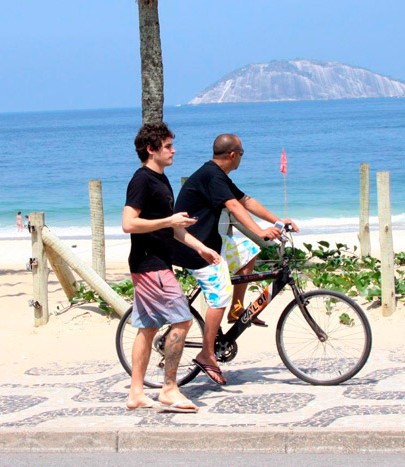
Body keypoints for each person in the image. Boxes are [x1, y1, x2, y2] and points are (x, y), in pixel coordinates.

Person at [173, 133, 298, 385]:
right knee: (219, 295)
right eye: (241, 153)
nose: (242, 158)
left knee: (248, 252)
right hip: (192, 246)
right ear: (233, 155)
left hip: (210, 241)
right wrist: (260, 230)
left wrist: (276, 221)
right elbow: (234, 206)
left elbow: (246, 201)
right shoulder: (211, 175)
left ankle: (237, 310)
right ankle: (207, 354)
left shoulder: (218, 175)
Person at [122, 122, 222, 412]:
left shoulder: (161, 180)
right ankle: (169, 388)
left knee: (148, 327)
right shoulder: (142, 180)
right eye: (167, 146)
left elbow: (174, 228)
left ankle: (136, 394)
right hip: (150, 264)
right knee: (183, 320)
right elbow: (129, 223)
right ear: (151, 150)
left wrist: (201, 248)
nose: (173, 149)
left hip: (154, 262)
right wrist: (168, 221)